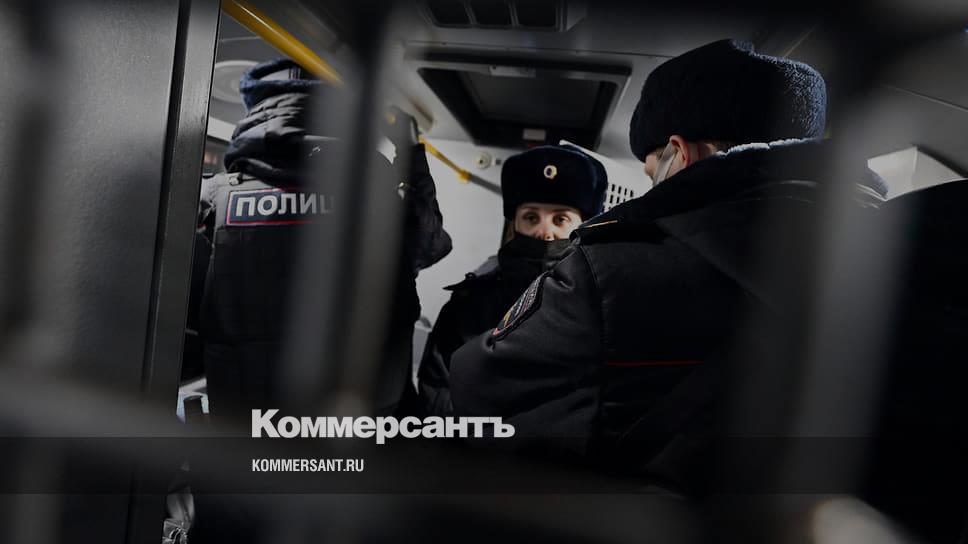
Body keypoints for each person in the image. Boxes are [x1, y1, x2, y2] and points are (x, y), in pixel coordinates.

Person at [448, 40, 887, 481]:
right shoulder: (883, 266)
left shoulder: (606, 273)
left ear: (680, 153)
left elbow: (479, 390)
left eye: (651, 171)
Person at [193, 58, 451, 422]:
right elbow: (432, 245)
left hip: (247, 420)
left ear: (255, 111)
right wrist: (411, 156)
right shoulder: (380, 196)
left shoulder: (213, 196)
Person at [414, 145, 607, 416]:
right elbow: (438, 395)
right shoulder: (470, 304)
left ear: (582, 226)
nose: (545, 232)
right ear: (514, 224)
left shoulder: (603, 306)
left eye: (560, 219)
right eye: (531, 217)